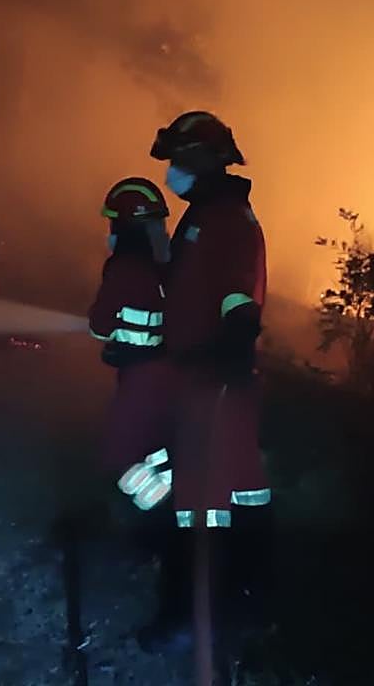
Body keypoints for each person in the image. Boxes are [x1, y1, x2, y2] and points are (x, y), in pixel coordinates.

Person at [136, 110, 273, 654]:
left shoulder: (229, 220)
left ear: (206, 160)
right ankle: (227, 610)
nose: (173, 171)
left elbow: (239, 295)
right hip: (198, 377)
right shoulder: (202, 217)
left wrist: (230, 352)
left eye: (179, 160)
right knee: (205, 500)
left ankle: (189, 620)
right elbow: (185, 287)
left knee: (204, 504)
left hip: (216, 379)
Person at [88, 177, 177, 513]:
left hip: (138, 375)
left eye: (113, 223)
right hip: (162, 371)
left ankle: (157, 514)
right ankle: (171, 503)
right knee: (150, 445)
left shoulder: (122, 267)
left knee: (120, 453)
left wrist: (106, 335)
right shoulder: (163, 269)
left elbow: (100, 325)